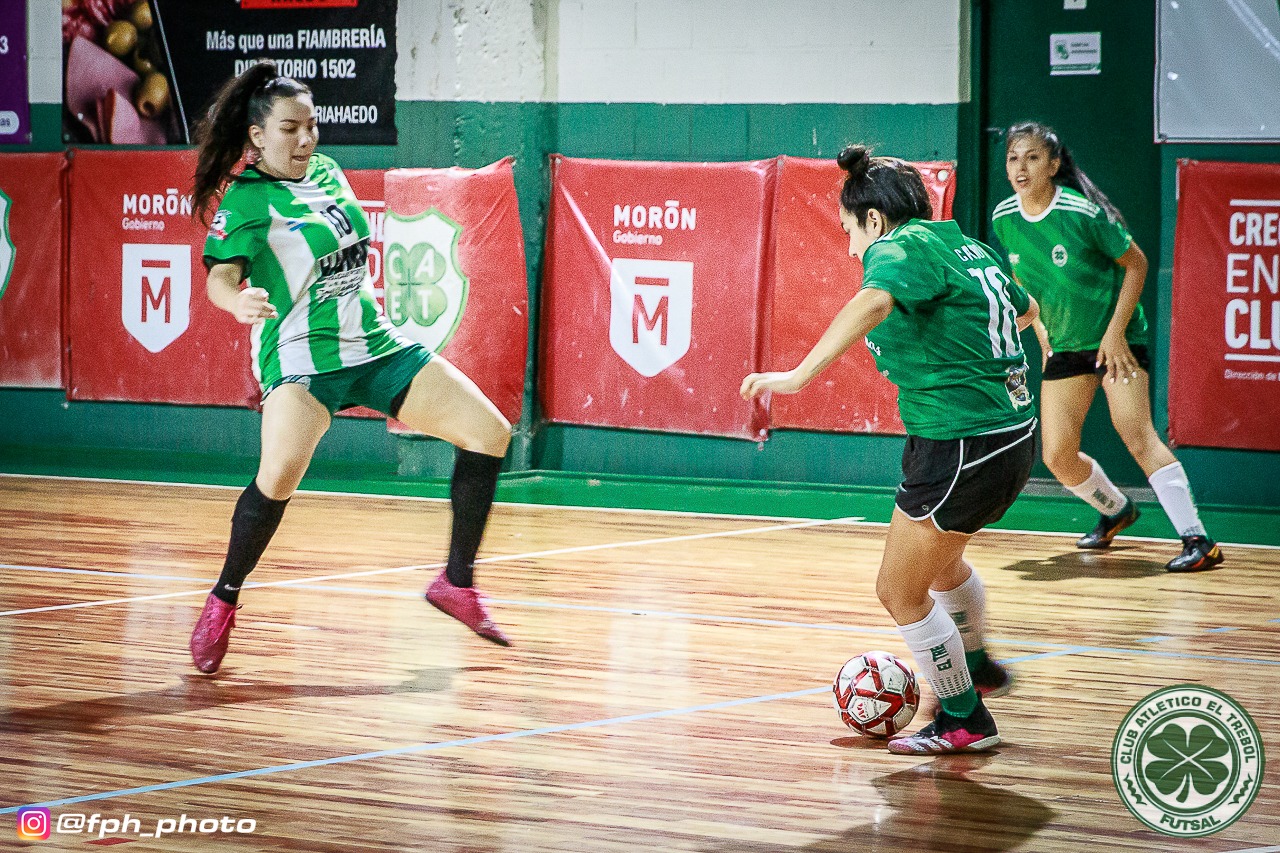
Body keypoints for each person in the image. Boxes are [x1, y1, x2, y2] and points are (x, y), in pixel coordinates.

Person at [188, 61, 513, 674]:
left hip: (374, 344)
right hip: (301, 355)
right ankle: (224, 597)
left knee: (489, 432)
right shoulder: (247, 199)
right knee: (277, 478)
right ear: (257, 135)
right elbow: (220, 278)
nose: (305, 139)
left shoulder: (328, 172)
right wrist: (236, 301)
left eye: (311, 126)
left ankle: (456, 583)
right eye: (289, 129)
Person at [742, 145, 1040, 755]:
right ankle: (976, 665)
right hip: (1011, 438)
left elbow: (874, 301)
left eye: (849, 231)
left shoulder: (897, 247)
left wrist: (795, 377)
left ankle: (963, 717)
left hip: (959, 442)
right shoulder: (967, 247)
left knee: (899, 591)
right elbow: (1027, 308)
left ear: (874, 220)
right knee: (944, 567)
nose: (852, 248)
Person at [993, 121, 1223, 573]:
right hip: (1065, 344)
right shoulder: (1004, 217)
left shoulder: (1082, 211)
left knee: (1136, 433)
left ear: (1053, 165)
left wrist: (1116, 334)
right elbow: (1022, 277)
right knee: (1057, 455)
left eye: (1033, 158)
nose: (1021, 168)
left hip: (1117, 341)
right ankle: (1117, 510)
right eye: (1013, 158)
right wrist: (1041, 331)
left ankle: (1199, 541)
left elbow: (1137, 264)